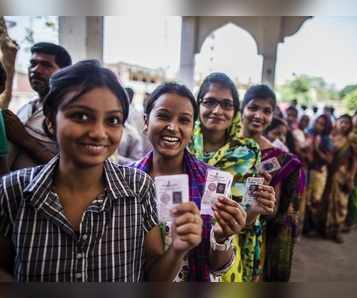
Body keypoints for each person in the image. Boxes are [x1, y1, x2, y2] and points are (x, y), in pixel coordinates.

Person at [0, 60, 204, 282]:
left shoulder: (138, 187)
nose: (98, 132)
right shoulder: (14, 192)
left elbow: (152, 277)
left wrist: (176, 250)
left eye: (112, 120)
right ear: (50, 121)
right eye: (81, 116)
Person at [134, 82, 246, 281]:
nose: (172, 127)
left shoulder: (211, 181)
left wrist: (221, 238)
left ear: (192, 128)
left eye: (184, 120)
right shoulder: (126, 180)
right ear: (146, 121)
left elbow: (218, 267)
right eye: (163, 116)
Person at [189, 73, 276, 282]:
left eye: (226, 104)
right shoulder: (183, 142)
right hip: (182, 242)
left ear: (235, 111)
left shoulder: (247, 151)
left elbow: (246, 213)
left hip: (227, 245)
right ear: (198, 104)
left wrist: (256, 208)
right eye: (209, 101)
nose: (217, 111)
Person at [241, 84, 305, 281]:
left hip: (251, 234)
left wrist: (263, 202)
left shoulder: (277, 158)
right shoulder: (223, 145)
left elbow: (273, 211)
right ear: (242, 108)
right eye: (253, 108)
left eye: (266, 111)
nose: (259, 115)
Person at [3, 42, 72, 171]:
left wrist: (24, 139)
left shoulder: (67, 113)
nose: (35, 70)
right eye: (33, 64)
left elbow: (72, 169)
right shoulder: (26, 108)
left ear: (64, 73)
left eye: (46, 65)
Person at [319, 115, 357, 243]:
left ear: (350, 125)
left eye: (347, 123)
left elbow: (354, 162)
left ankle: (337, 230)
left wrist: (351, 176)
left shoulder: (351, 141)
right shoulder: (330, 138)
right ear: (336, 123)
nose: (344, 125)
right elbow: (327, 157)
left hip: (342, 175)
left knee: (341, 203)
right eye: (342, 122)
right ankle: (324, 228)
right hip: (328, 174)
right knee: (327, 200)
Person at [303, 114, 333, 235]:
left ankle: (313, 226)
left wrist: (317, 149)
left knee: (316, 199)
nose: (318, 126)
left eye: (322, 124)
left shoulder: (326, 139)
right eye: (317, 122)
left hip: (319, 171)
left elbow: (329, 160)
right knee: (307, 199)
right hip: (310, 170)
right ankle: (307, 226)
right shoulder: (310, 134)